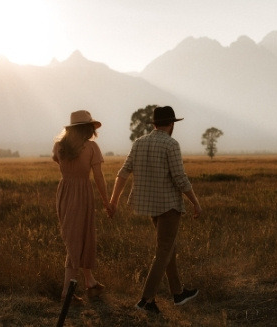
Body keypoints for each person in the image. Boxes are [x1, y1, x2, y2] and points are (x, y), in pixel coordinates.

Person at [110, 106, 202, 314]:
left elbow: (123, 173)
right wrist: (195, 202)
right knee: (164, 251)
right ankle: (146, 300)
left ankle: (178, 293)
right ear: (171, 125)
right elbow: (180, 178)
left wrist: (113, 200)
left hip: (151, 206)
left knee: (169, 248)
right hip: (169, 205)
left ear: (153, 124)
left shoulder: (139, 143)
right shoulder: (171, 144)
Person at [52, 110, 111, 304]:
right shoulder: (92, 147)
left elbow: (57, 161)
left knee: (80, 237)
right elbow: (99, 177)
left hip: (64, 192)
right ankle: (66, 294)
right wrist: (106, 200)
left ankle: (90, 283)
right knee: (76, 241)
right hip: (83, 194)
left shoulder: (59, 146)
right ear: (88, 129)